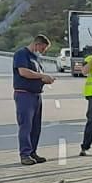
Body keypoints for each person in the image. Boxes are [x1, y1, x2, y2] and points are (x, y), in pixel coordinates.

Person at [13, 33, 54, 165]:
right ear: (37, 44)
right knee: (26, 125)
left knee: (36, 127)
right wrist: (42, 76)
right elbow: (23, 72)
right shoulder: (21, 54)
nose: (42, 52)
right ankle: (24, 154)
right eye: (42, 49)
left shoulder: (36, 58)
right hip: (24, 94)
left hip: (36, 95)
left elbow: (37, 75)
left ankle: (32, 152)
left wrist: (46, 79)